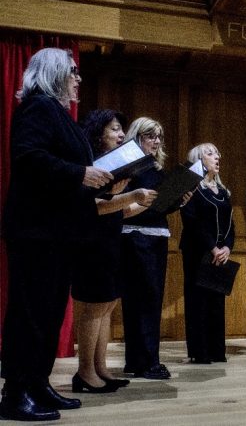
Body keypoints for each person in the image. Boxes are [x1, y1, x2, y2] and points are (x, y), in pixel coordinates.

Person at [0, 48, 112, 421]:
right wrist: (80, 173)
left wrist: (96, 177)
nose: (78, 78)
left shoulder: (59, 113)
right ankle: (16, 393)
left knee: (47, 316)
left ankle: (37, 383)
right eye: (73, 72)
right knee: (30, 315)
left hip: (57, 234)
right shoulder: (38, 107)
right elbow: (29, 158)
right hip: (37, 233)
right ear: (54, 73)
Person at [72, 110, 157, 393]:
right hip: (92, 244)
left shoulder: (116, 168)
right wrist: (132, 195)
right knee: (94, 307)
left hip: (110, 242)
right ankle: (85, 372)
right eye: (115, 130)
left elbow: (122, 211)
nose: (121, 135)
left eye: (121, 130)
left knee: (107, 306)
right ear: (99, 134)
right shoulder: (93, 165)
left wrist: (160, 199)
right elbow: (95, 206)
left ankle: (100, 368)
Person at [120, 117, 181, 379]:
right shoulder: (130, 168)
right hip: (137, 238)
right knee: (143, 300)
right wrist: (155, 201)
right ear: (136, 137)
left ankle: (139, 360)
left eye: (158, 136)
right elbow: (124, 209)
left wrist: (179, 199)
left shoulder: (154, 168)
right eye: (149, 136)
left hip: (155, 236)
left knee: (148, 300)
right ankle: (146, 362)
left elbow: (160, 205)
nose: (155, 141)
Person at [180, 143, 235, 364]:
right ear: (198, 160)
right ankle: (200, 352)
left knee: (216, 303)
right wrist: (212, 247)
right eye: (210, 153)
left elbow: (231, 224)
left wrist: (227, 247)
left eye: (217, 153)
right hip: (198, 251)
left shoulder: (223, 192)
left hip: (220, 254)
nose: (217, 157)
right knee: (198, 301)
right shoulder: (192, 189)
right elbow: (192, 223)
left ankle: (216, 351)